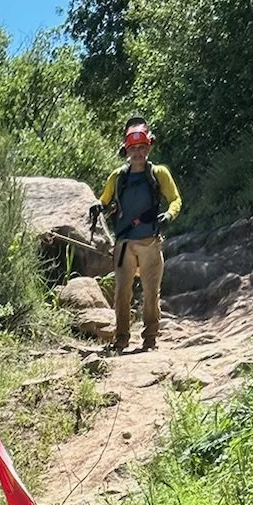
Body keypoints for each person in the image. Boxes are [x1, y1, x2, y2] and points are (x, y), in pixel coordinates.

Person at [95, 117, 182, 352]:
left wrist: (169, 216)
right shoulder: (117, 177)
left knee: (151, 293)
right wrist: (98, 207)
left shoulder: (159, 173)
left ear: (149, 147)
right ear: (126, 150)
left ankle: (150, 338)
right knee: (122, 293)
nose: (138, 153)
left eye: (142, 147)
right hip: (124, 244)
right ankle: (121, 338)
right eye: (133, 149)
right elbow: (104, 200)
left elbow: (175, 199)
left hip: (150, 242)